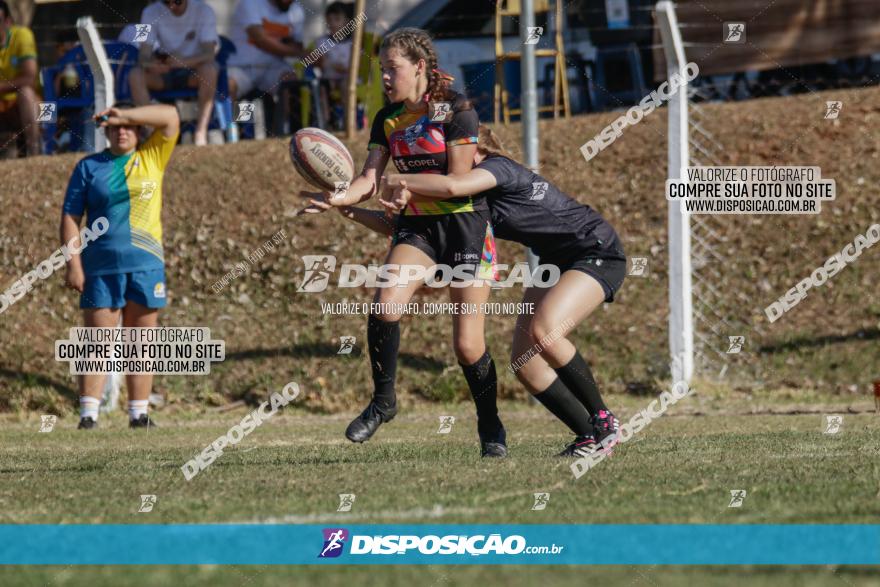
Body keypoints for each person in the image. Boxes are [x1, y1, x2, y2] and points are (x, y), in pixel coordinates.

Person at [307, 125, 625, 456]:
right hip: (555, 260)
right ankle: (590, 436)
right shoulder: (464, 192)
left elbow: (451, 184)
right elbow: (404, 227)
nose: (445, 161)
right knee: (526, 362)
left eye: (452, 152)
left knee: (546, 330)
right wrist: (347, 209)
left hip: (595, 250)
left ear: (474, 150)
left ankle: (605, 421)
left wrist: (393, 181)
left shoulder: (495, 169)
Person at [299, 28, 506, 458]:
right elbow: (369, 180)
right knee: (384, 306)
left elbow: (456, 184)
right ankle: (384, 401)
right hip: (420, 230)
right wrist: (338, 196)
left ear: (420, 68)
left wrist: (404, 183)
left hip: (465, 225)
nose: (387, 78)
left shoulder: (456, 111)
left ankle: (491, 426)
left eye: (393, 68)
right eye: (382, 70)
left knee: (468, 346)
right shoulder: (386, 118)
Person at [61, 103, 180, 430]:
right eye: (114, 127)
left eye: (128, 126)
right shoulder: (89, 167)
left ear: (139, 129)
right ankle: (89, 416)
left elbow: (170, 116)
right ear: (105, 132)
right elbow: (70, 218)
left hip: (146, 264)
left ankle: (138, 415)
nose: (122, 131)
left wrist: (125, 114)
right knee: (99, 341)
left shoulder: (152, 156)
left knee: (141, 342)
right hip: (99, 266)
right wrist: (73, 264)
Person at [129, 0, 218, 146]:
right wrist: (152, 64)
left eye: (177, 1)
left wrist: (184, 62)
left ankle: (200, 133)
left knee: (210, 70)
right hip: (165, 72)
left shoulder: (205, 10)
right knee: (135, 75)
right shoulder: (148, 12)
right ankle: (152, 133)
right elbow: (142, 54)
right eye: (166, 2)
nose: (172, 6)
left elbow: (210, 54)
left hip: (193, 72)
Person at [227, 0, 305, 100]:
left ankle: (283, 115)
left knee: (293, 83)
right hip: (243, 66)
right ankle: (230, 115)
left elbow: (298, 45)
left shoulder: (296, 10)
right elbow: (260, 39)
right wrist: (297, 52)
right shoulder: (250, 3)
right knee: (229, 85)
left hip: (273, 67)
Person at [0, 0, 40, 157]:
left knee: (26, 93)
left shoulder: (22, 35)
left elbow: (29, 78)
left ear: (8, 21)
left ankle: (34, 153)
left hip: (42, 108)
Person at [316, 1, 354, 130]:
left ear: (347, 22)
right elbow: (321, 64)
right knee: (322, 88)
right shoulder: (322, 41)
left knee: (345, 85)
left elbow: (357, 66)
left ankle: (348, 121)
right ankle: (327, 122)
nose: (332, 23)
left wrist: (344, 69)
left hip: (348, 78)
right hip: (328, 79)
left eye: (337, 19)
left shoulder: (353, 43)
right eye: (329, 20)